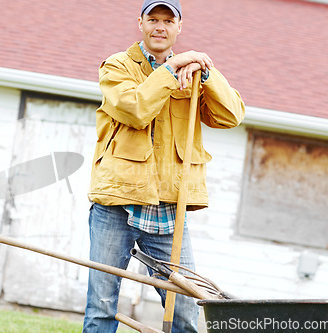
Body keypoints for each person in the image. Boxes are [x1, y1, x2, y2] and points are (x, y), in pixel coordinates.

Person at [83, 0, 245, 332]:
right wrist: (172, 71)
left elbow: (231, 116)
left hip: (170, 207)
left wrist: (206, 69)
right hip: (117, 202)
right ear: (140, 23)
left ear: (179, 27)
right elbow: (134, 109)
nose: (160, 26)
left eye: (168, 21)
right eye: (153, 19)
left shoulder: (196, 73)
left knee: (184, 304)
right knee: (101, 305)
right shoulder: (118, 66)